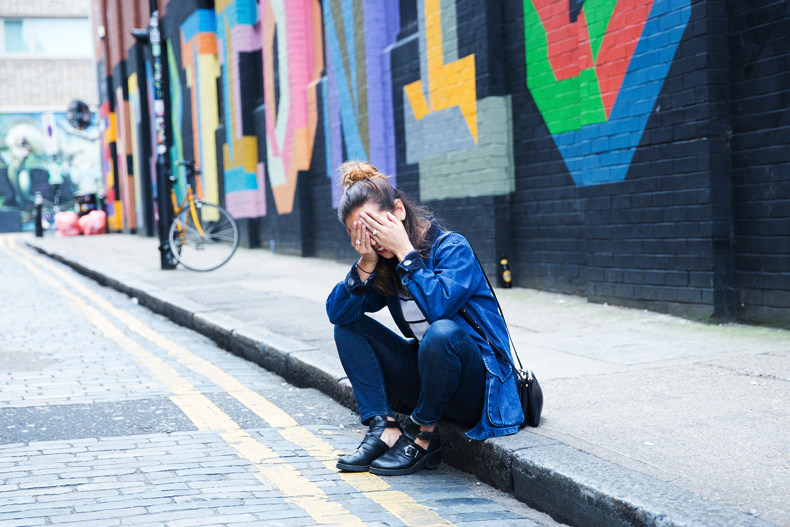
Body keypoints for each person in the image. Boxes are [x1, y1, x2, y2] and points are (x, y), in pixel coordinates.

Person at [326, 162, 523, 476]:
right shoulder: (383, 264)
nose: (372, 240)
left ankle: (423, 435)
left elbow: (439, 308)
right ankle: (384, 428)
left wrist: (406, 253)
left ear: (399, 212)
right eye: (360, 234)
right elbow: (338, 314)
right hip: (430, 381)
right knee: (348, 327)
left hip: (477, 389)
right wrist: (365, 263)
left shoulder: (453, 249)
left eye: (375, 227)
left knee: (443, 332)